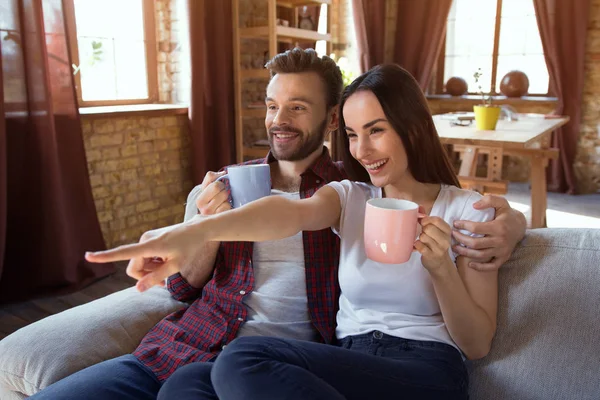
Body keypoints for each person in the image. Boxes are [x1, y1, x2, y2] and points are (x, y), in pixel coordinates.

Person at [29, 48, 524, 400]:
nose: (363, 149)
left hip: (377, 367)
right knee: (184, 386)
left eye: (376, 131)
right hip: (216, 353)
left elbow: (476, 343)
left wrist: (494, 232)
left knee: (244, 362)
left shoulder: (448, 209)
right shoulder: (333, 196)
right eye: (356, 135)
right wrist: (197, 228)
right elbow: (277, 217)